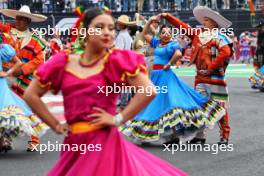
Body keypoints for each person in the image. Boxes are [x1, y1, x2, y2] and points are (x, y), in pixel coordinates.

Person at [23, 8, 187, 176]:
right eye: (99, 27)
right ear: (85, 31)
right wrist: (56, 125)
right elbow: (30, 94)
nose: (107, 32)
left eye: (111, 28)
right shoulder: (62, 62)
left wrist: (118, 118)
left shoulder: (116, 61)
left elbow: (148, 90)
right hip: (73, 144)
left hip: (105, 142)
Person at [121, 16, 226, 144]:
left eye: (169, 33)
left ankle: (173, 136)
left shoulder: (172, 45)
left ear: (171, 35)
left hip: (165, 76)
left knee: (168, 103)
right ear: (160, 34)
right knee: (154, 103)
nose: (166, 35)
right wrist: (149, 22)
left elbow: (179, 54)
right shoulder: (157, 43)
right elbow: (144, 34)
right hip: (155, 76)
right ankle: (159, 134)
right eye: (164, 32)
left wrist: (169, 64)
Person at [160, 6, 233, 145]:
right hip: (200, 77)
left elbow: (225, 52)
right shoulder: (197, 34)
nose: (203, 21)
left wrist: (211, 68)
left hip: (216, 78)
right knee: (199, 106)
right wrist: (168, 16)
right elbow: (182, 27)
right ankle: (199, 136)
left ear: (214, 23)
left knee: (220, 107)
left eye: (207, 19)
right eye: (204, 19)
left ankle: (224, 135)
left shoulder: (220, 36)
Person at [0, 5, 47, 151]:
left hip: (24, 78)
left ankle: (34, 138)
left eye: (22, 19)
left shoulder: (35, 40)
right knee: (6, 110)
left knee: (28, 107)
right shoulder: (6, 31)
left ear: (28, 21)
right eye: (17, 18)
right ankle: (5, 139)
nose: (19, 21)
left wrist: (21, 71)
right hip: (4, 78)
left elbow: (39, 60)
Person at [249, 20, 264, 91]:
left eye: (260, 27)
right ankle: (257, 81)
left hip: (260, 53)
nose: (259, 28)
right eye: (259, 27)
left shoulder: (261, 33)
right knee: (259, 67)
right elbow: (259, 45)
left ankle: (257, 82)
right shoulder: (260, 33)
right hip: (260, 53)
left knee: (261, 68)